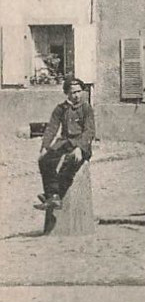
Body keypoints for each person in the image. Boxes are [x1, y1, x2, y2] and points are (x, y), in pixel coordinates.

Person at [36, 76, 95, 211]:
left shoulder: (86, 108)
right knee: (45, 160)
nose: (76, 96)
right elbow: (51, 128)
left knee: (69, 162)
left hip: (81, 144)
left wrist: (80, 148)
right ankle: (52, 196)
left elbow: (89, 131)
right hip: (65, 143)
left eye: (79, 92)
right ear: (67, 93)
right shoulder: (61, 109)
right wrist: (45, 147)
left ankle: (54, 195)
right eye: (73, 92)